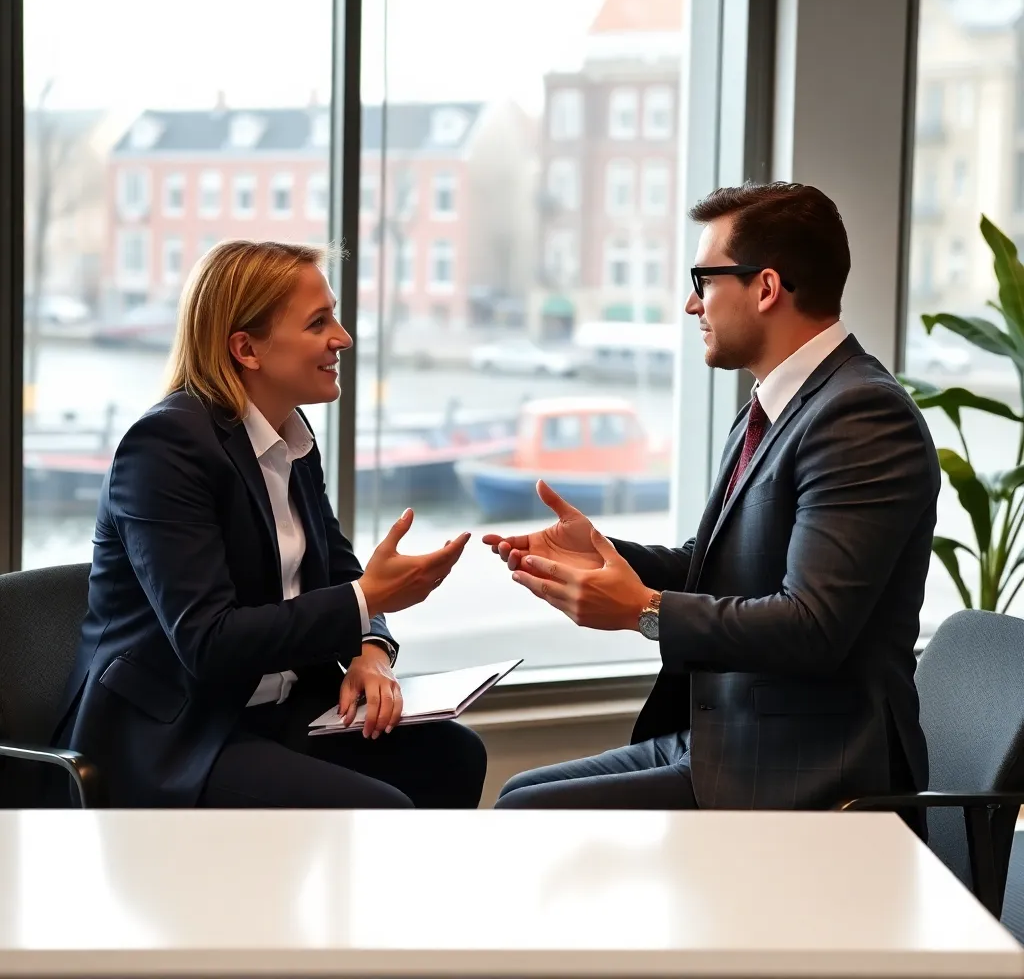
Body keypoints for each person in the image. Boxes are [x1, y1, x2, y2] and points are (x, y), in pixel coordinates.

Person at [487, 182, 939, 819]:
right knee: (517, 796)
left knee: (526, 818)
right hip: (724, 739)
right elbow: (722, 562)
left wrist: (644, 610)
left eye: (704, 280)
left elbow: (812, 627)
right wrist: (604, 556)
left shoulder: (861, 416)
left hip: (807, 767)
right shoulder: (773, 407)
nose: (690, 303)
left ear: (766, 287)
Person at [53, 239, 486, 809]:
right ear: (246, 349)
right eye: (318, 323)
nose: (343, 338)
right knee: (382, 811)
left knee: (455, 755)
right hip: (175, 735)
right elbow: (208, 641)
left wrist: (370, 650)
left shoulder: (291, 435)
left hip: (274, 711)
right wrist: (365, 599)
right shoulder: (165, 446)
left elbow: (339, 572)